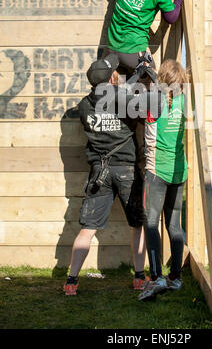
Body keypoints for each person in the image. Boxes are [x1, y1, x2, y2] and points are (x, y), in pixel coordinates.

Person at [63, 53, 151, 296]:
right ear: (112, 77)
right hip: (127, 171)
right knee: (137, 225)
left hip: (98, 172)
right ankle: (139, 278)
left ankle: (71, 281)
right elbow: (143, 110)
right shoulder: (123, 99)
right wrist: (141, 74)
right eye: (116, 72)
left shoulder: (83, 105)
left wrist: (129, 81)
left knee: (87, 229)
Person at [137, 59, 189, 301]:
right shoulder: (184, 101)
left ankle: (157, 277)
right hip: (179, 171)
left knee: (151, 223)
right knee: (174, 226)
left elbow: (129, 100)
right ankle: (175, 278)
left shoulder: (153, 100)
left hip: (157, 171)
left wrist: (144, 69)